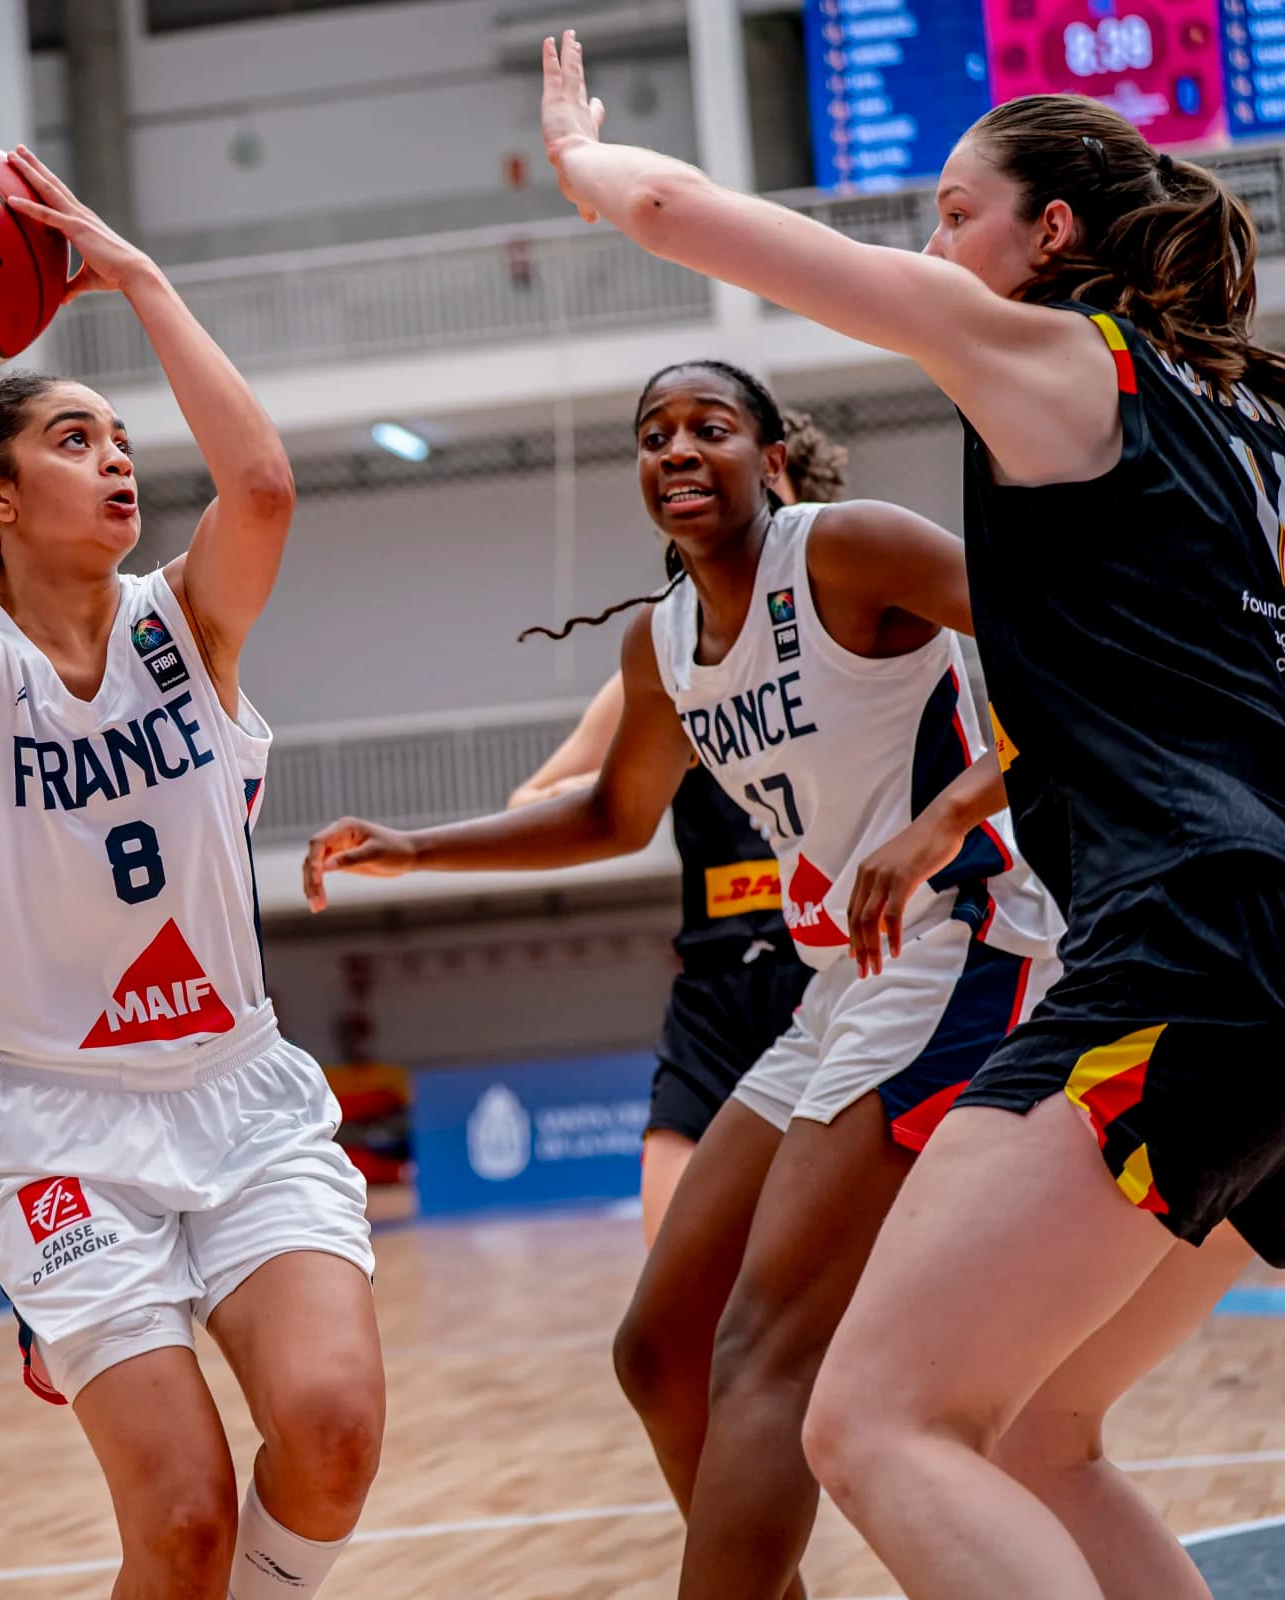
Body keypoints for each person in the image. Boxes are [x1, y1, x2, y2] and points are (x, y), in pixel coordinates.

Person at [541, 48, 1285, 1600]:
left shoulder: (1054, 358)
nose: (935, 247)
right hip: (1252, 945)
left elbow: (682, 209)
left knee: (876, 1422)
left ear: (1054, 234)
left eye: (956, 214)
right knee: (1034, 1428)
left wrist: (583, 161)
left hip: (1188, 945)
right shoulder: (1254, 422)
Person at [302, 358, 1061, 1600]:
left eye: (710, 427)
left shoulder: (849, 550)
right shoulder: (659, 648)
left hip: (963, 943)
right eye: (654, 434)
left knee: (766, 1346)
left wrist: (947, 817)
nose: (677, 449)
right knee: (660, 1349)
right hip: (840, 983)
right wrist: (418, 848)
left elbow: (1077, 640)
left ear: (769, 459)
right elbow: (611, 813)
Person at [0, 147, 383, 1600]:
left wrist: (136, 279)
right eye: (75, 440)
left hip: (239, 1095)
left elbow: (259, 483)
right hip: (67, 1133)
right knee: (184, 1520)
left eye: (119, 435)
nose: (118, 457)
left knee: (330, 1434)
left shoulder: (185, 628)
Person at [507, 409, 846, 1245]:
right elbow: (533, 801)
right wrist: (656, 761)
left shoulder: (843, 633)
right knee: (674, 1269)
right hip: (714, 987)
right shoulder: (664, 659)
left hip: (830, 969)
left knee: (832, 1274)